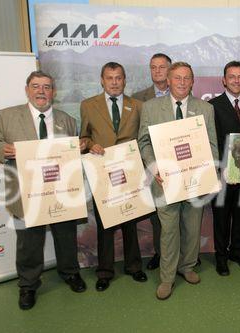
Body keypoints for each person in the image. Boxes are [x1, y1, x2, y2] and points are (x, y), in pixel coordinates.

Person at [0, 70, 86, 310]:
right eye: (36, 86)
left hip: (60, 192)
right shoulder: (7, 116)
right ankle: (28, 285)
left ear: (54, 92)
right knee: (29, 243)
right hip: (26, 193)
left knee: (66, 236)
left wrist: (79, 147)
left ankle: (70, 273)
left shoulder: (66, 120)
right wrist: (4, 150)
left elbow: (72, 152)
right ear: (27, 90)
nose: (41, 91)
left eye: (47, 87)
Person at [138, 62, 218, 300]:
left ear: (193, 82)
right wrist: (155, 167)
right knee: (169, 231)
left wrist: (209, 171)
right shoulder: (151, 108)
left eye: (187, 78)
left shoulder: (205, 108)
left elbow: (212, 144)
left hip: (195, 182)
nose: (182, 82)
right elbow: (143, 142)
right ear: (168, 80)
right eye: (177, 78)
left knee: (192, 228)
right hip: (164, 183)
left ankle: (187, 266)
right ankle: (167, 278)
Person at [80, 62, 147, 291]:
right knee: (105, 226)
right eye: (110, 78)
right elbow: (83, 137)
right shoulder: (88, 106)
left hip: (130, 173)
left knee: (131, 221)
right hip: (103, 174)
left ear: (125, 80)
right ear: (102, 80)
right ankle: (105, 272)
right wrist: (91, 145)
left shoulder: (137, 105)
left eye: (119, 78)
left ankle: (134, 267)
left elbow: (143, 137)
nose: (115, 82)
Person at [208, 61, 240, 276]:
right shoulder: (212, 105)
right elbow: (211, 140)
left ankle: (237, 252)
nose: (236, 80)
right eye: (232, 76)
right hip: (222, 174)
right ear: (224, 80)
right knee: (221, 217)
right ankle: (221, 257)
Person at [132, 53, 172, 270]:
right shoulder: (138, 98)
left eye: (162, 67)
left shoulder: (182, 92)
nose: (157, 71)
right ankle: (160, 253)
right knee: (158, 213)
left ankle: (183, 254)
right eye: (153, 67)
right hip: (151, 163)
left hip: (177, 163)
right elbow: (138, 135)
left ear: (170, 69)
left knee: (180, 210)